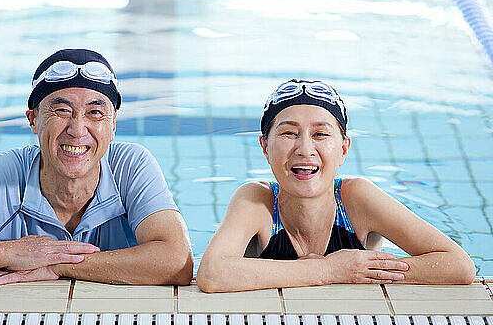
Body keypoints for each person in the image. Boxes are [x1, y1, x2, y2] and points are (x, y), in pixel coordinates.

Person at [0, 49, 193, 286]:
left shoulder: (131, 166)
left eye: (95, 113)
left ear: (112, 126)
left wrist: (53, 262)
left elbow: (177, 262)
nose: (77, 129)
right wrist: (9, 252)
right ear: (34, 120)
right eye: (62, 111)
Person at [197, 79, 475, 292]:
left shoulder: (356, 198)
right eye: (289, 133)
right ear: (265, 147)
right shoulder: (257, 200)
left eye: (320, 134)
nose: (305, 149)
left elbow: (458, 265)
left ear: (343, 149)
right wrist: (329, 271)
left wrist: (363, 271)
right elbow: (212, 274)